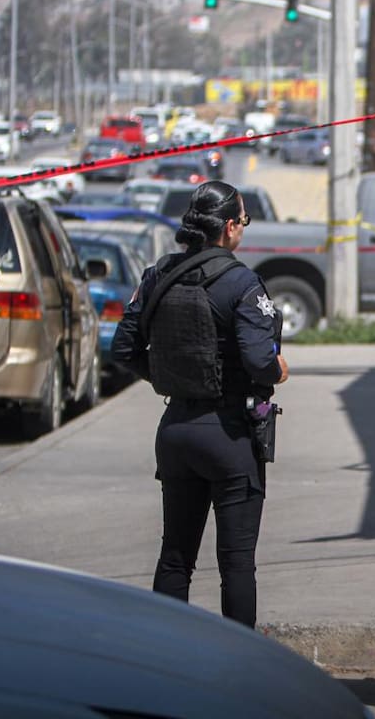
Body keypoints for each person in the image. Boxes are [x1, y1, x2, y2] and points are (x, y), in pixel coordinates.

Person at [112, 180, 288, 628]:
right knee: (236, 564)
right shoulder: (242, 283)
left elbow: (124, 348)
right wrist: (278, 369)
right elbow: (257, 357)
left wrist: (171, 377)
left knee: (175, 557)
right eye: (243, 221)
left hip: (176, 430)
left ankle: (169, 665)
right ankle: (240, 671)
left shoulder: (158, 275)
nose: (243, 230)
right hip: (229, 435)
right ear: (229, 227)